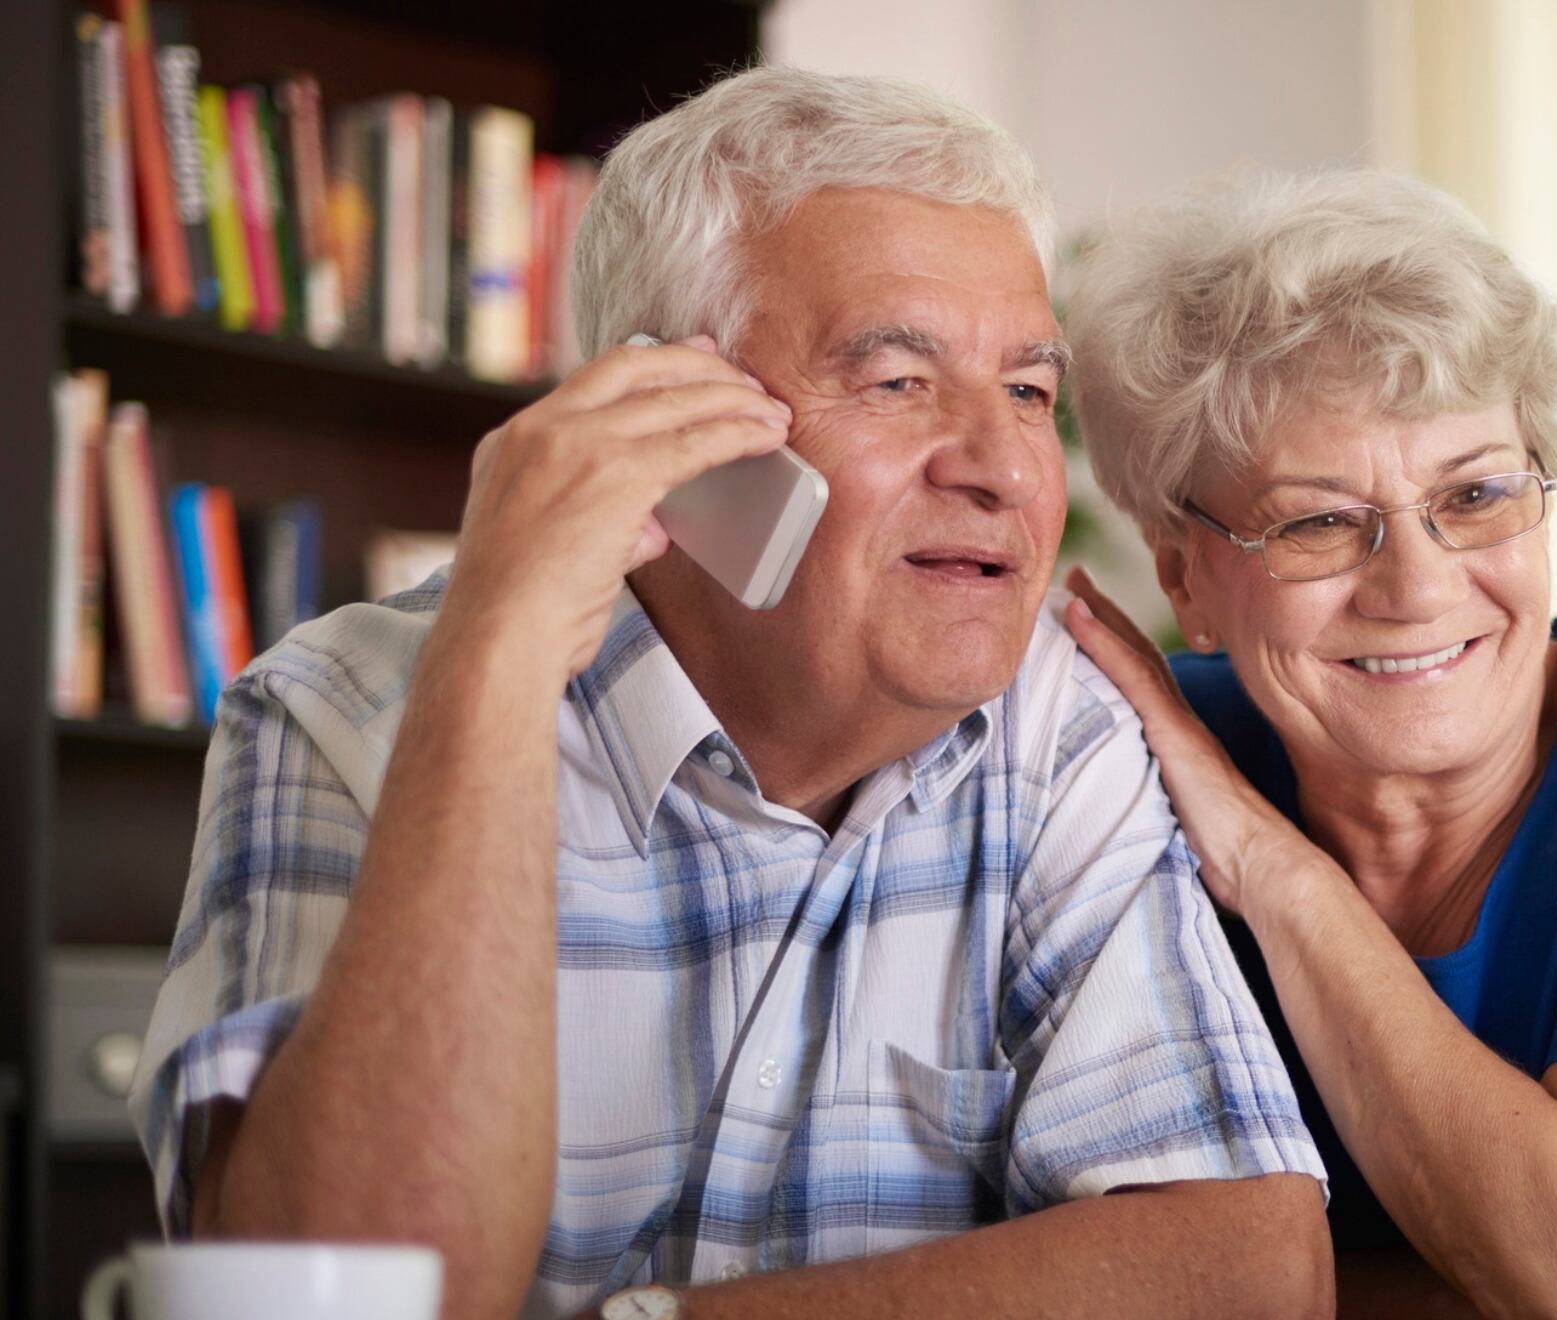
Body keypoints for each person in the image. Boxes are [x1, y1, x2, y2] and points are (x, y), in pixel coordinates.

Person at [129, 67, 1328, 1320]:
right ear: (670, 428)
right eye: (896, 381)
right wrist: (492, 664)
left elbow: (1246, 1270)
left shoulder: (1054, 730)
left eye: (1028, 390)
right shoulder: (341, 711)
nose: (1006, 469)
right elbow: (336, 1296)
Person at [1061, 169, 1557, 1319]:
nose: (1418, 585)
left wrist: (1278, 875)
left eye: (1475, 495)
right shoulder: (1123, 762)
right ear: (1185, 575)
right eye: (1319, 521)